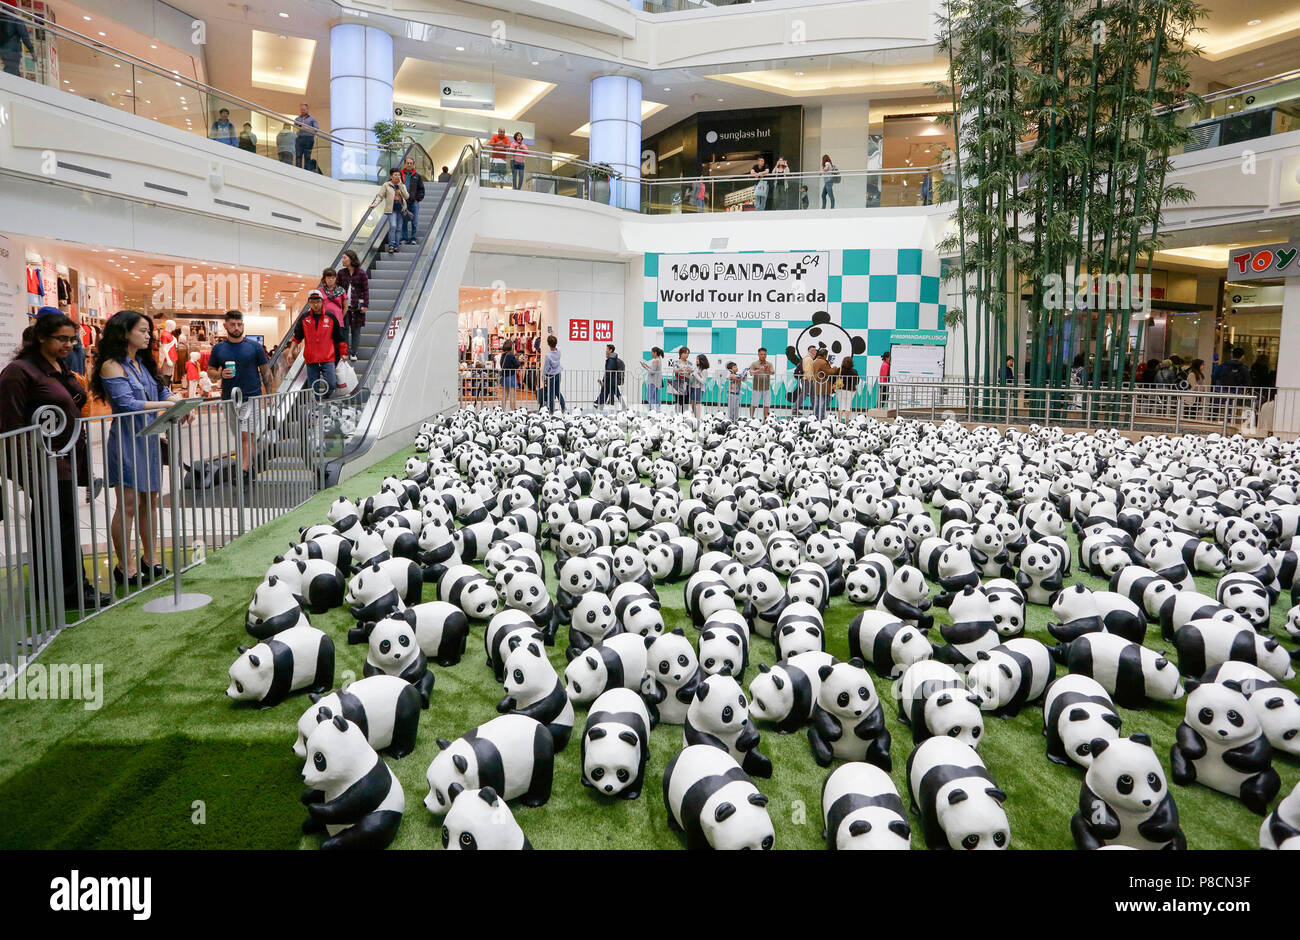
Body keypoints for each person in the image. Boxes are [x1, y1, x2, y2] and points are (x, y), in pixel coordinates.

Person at [0, 311, 110, 609]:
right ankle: (67, 592)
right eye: (62, 339)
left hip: (63, 460)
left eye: (72, 339)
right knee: (55, 527)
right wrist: (27, 472)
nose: (70, 345)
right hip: (43, 462)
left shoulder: (56, 366)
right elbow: (10, 427)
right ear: (40, 338)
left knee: (61, 526)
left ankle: (64, 588)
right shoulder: (19, 371)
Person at [91, 311, 188, 588]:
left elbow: (158, 391)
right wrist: (165, 406)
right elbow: (126, 404)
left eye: (149, 332)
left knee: (151, 501)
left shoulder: (142, 363)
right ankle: (125, 564)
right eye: (143, 331)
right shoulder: (112, 365)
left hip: (149, 439)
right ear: (124, 333)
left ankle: (151, 558)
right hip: (126, 440)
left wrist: (173, 399)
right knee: (129, 504)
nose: (148, 336)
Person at [208, 310, 270, 485]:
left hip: (252, 398)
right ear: (225, 326)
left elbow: (266, 371)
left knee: (245, 436)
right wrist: (220, 373)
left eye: (239, 324)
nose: (237, 328)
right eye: (233, 324)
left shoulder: (254, 347)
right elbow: (210, 371)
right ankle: (249, 467)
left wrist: (269, 395)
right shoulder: (219, 348)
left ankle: (242, 472)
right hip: (229, 399)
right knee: (242, 436)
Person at [292, 290, 346, 398]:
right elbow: (297, 337)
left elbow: (339, 337)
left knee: (331, 383)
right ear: (309, 303)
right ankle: (316, 407)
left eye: (317, 301)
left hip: (328, 357)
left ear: (322, 301)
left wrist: (343, 352)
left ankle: (325, 399)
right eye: (312, 302)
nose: (315, 304)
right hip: (311, 358)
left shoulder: (331, 317)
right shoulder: (304, 318)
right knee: (313, 387)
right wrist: (290, 352)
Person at [337, 249, 368, 363]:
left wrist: (365, 305)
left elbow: (366, 290)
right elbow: (338, 289)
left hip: (357, 307)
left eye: (345, 258)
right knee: (344, 330)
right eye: (342, 258)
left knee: (356, 330)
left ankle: (354, 352)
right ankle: (346, 352)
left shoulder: (361, 273)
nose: (343, 260)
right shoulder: (341, 273)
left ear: (351, 258)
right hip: (344, 307)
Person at [371, 168, 410, 254]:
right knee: (393, 226)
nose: (397, 177)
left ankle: (396, 246)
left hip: (401, 210)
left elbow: (407, 197)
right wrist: (375, 204)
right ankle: (391, 245)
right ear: (391, 176)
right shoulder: (386, 185)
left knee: (399, 228)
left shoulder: (402, 185)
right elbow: (380, 196)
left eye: (399, 175)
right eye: (395, 175)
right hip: (391, 210)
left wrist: (401, 186)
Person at [0, 3, 35, 78]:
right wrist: (32, 51)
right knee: (12, 75)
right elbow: (25, 36)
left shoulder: (1, 18)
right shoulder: (16, 19)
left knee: (11, 71)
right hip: (13, 51)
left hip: (2, 50)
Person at [399, 156, 426, 245]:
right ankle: (404, 238)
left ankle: (413, 238)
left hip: (414, 202)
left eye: (411, 163)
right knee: (404, 221)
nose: (409, 165)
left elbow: (421, 189)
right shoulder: (399, 174)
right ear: (405, 164)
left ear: (413, 165)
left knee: (415, 221)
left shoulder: (417, 176)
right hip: (403, 202)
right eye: (408, 163)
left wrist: (418, 199)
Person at [747, 347, 774, 419]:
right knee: (754, 404)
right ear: (758, 354)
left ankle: (765, 420)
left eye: (765, 354)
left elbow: (772, 372)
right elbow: (751, 372)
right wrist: (759, 369)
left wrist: (767, 369)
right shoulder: (754, 364)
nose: (763, 356)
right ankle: (751, 417)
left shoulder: (769, 364)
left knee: (766, 404)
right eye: (761, 354)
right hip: (756, 388)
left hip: (766, 388)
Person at [541, 334, 565, 414]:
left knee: (551, 393)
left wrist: (543, 376)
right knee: (558, 391)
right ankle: (563, 407)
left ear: (548, 344)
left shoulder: (548, 356)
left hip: (551, 376)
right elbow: (557, 347)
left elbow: (546, 368)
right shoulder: (559, 351)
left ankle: (551, 411)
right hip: (558, 374)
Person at [317, 268, 347, 332]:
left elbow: (345, 308)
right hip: (324, 321)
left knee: (337, 341)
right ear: (324, 279)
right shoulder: (320, 290)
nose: (331, 280)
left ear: (336, 278)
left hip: (338, 321)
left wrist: (340, 317)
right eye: (328, 278)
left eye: (333, 278)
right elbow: (317, 307)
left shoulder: (341, 290)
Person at [597, 344, 625, 410]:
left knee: (605, 393)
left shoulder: (611, 360)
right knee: (616, 393)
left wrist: (604, 380)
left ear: (611, 350)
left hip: (610, 380)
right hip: (613, 380)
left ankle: (600, 407)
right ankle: (624, 407)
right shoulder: (615, 359)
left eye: (607, 349)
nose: (606, 351)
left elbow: (608, 371)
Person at [294, 103, 319, 171]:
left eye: (304, 109)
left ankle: (306, 172)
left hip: (309, 138)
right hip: (300, 138)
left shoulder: (312, 119)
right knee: (298, 156)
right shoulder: (297, 119)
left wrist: (306, 128)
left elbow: (316, 129)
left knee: (307, 157)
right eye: (301, 110)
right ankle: (298, 171)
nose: (302, 111)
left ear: (307, 109)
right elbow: (295, 126)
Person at [811, 348, 833, 420]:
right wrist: (835, 368)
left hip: (817, 384)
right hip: (824, 385)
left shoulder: (815, 361)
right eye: (826, 355)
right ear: (824, 355)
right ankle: (821, 417)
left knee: (817, 401)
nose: (826, 357)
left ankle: (815, 416)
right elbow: (829, 372)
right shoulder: (823, 362)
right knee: (824, 402)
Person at [640, 346, 664, 412]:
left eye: (652, 352)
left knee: (649, 396)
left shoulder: (656, 361)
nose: (651, 354)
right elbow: (654, 369)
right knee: (655, 397)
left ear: (655, 353)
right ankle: (658, 409)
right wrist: (646, 366)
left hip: (652, 381)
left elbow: (652, 372)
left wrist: (645, 367)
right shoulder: (659, 359)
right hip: (656, 381)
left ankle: (652, 409)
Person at [836, 355, 859, 421]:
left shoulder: (839, 370)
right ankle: (846, 421)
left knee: (840, 405)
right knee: (848, 406)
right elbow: (857, 381)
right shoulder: (854, 371)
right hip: (850, 390)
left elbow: (834, 379)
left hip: (840, 389)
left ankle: (839, 420)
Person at [796, 344, 817, 415]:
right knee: (804, 395)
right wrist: (809, 379)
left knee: (811, 395)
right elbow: (807, 370)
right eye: (815, 350)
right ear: (811, 351)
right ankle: (795, 409)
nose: (816, 352)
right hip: (807, 379)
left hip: (808, 379)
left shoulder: (808, 358)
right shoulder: (808, 359)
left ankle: (815, 410)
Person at [671, 347, 693, 413]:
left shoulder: (689, 363)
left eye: (688, 353)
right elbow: (675, 370)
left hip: (687, 384)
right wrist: (680, 370)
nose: (687, 355)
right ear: (681, 353)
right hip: (678, 384)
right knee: (678, 400)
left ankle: (685, 414)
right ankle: (677, 414)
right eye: (685, 353)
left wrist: (689, 371)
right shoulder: (676, 362)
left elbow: (691, 371)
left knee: (686, 400)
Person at [500, 340, 520, 410]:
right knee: (512, 396)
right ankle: (513, 410)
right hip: (511, 377)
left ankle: (502, 410)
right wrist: (519, 361)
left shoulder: (503, 355)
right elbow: (517, 365)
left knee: (505, 395)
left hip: (504, 376)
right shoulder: (511, 355)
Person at [691, 353, 709, 419]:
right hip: (693, 387)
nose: (696, 360)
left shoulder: (704, 370)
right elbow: (694, 376)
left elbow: (703, 381)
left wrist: (695, 374)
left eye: (698, 359)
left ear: (702, 360)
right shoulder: (696, 368)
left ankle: (698, 418)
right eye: (696, 359)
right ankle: (695, 416)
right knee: (692, 403)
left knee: (698, 403)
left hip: (699, 388)